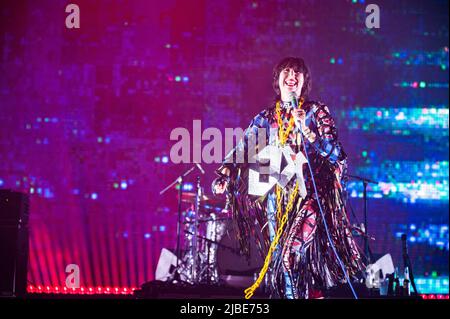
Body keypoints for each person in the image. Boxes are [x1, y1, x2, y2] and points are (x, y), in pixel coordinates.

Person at [212, 57, 364, 299]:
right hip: (278, 199)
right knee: (280, 260)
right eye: (287, 71)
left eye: (298, 73)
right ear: (278, 80)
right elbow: (244, 147)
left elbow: (337, 153)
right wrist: (224, 173)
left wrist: (310, 134)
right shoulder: (266, 118)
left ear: (304, 82)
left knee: (290, 257)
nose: (292, 75)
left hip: (311, 196)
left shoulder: (315, 112)